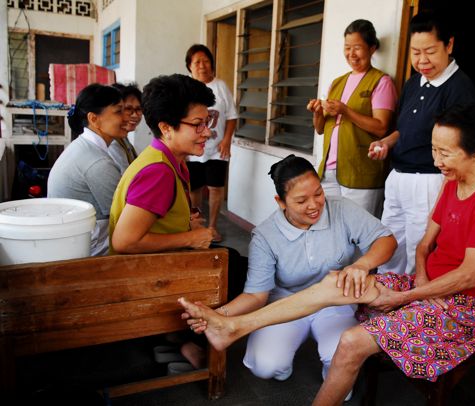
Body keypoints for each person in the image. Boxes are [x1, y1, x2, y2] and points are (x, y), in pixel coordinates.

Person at [179, 104, 475, 405]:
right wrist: (420, 282)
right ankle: (234, 326)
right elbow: (423, 246)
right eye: (433, 149)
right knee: (337, 281)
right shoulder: (453, 182)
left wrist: (407, 297)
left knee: (351, 342)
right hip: (425, 289)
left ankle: (237, 329)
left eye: (445, 153)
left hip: (462, 306)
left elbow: (469, 276)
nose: (436, 161)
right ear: (281, 202)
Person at [182, 154, 396, 386]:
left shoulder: (341, 209)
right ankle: (283, 363)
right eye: (301, 201)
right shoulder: (265, 236)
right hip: (286, 304)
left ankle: (334, 378)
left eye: (318, 194)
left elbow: (385, 239)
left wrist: (362, 264)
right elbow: (256, 295)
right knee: (266, 365)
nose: (314, 205)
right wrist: (217, 315)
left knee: (341, 356)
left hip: (336, 302)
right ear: (281, 202)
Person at [368, 11, 475, 275]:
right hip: (398, 176)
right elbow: (405, 130)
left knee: (418, 251)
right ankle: (386, 293)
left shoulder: (460, 89)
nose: (421, 60)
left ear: (449, 45)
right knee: (389, 243)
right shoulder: (413, 83)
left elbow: (462, 149)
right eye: (415, 52)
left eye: (429, 51)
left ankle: (410, 299)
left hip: (429, 181)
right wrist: (386, 142)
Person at [108, 74, 215, 254]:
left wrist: (184, 224)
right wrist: (190, 238)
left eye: (207, 122)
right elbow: (124, 242)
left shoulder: (169, 159)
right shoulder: (158, 172)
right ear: (166, 128)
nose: (207, 132)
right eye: (198, 124)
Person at [306, 19, 397, 217]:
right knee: (330, 226)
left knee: (358, 230)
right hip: (329, 171)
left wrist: (346, 111)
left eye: (357, 48)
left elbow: (381, 127)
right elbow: (320, 129)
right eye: (347, 48)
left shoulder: (381, 82)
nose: (351, 54)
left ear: (372, 48)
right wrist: (317, 112)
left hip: (360, 174)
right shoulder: (337, 83)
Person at [47, 83, 127, 256]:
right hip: (83, 252)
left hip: (68, 241)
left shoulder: (83, 146)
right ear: (94, 119)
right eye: (118, 111)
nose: (126, 118)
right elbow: (126, 216)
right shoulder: (98, 163)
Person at [185, 44, 238, 243]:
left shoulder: (220, 86)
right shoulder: (186, 89)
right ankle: (197, 225)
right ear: (189, 66)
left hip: (217, 149)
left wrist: (227, 140)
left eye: (206, 61)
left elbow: (232, 116)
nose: (202, 66)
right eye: (197, 62)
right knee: (194, 189)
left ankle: (213, 227)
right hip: (192, 150)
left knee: (216, 187)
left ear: (212, 64)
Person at [108, 82, 142, 173]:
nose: (135, 115)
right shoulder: (112, 143)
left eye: (138, 109)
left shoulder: (123, 138)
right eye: (128, 109)